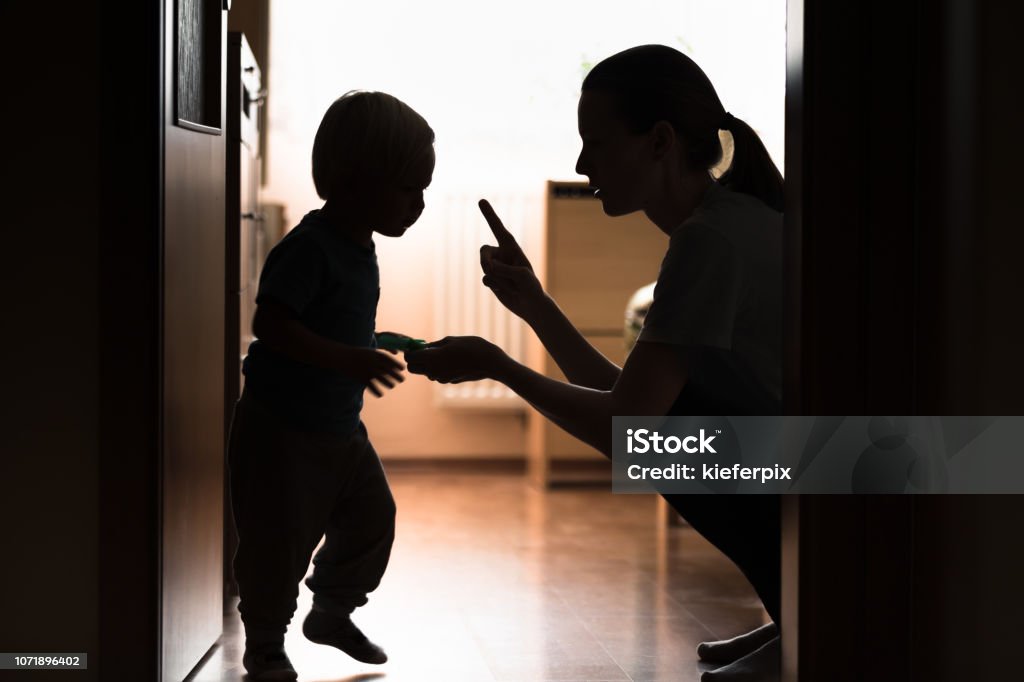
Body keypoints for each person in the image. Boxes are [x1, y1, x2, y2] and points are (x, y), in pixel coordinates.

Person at [406, 45, 783, 681]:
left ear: (660, 142)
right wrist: (536, 307)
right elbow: (638, 400)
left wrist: (501, 365)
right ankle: (795, 615)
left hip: (844, 466)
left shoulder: (709, 241)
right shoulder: (727, 220)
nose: (582, 163)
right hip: (828, 454)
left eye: (597, 143)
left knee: (670, 439)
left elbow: (632, 426)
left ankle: (805, 626)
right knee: (677, 424)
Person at [227, 90, 434, 681]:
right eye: (409, 187)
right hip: (283, 431)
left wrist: (376, 341)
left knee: (373, 520)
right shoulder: (308, 246)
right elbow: (271, 324)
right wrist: (349, 358)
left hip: (340, 430)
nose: (419, 203)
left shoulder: (358, 245)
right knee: (277, 545)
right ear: (356, 180)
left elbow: (333, 320)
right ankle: (265, 642)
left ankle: (332, 611)